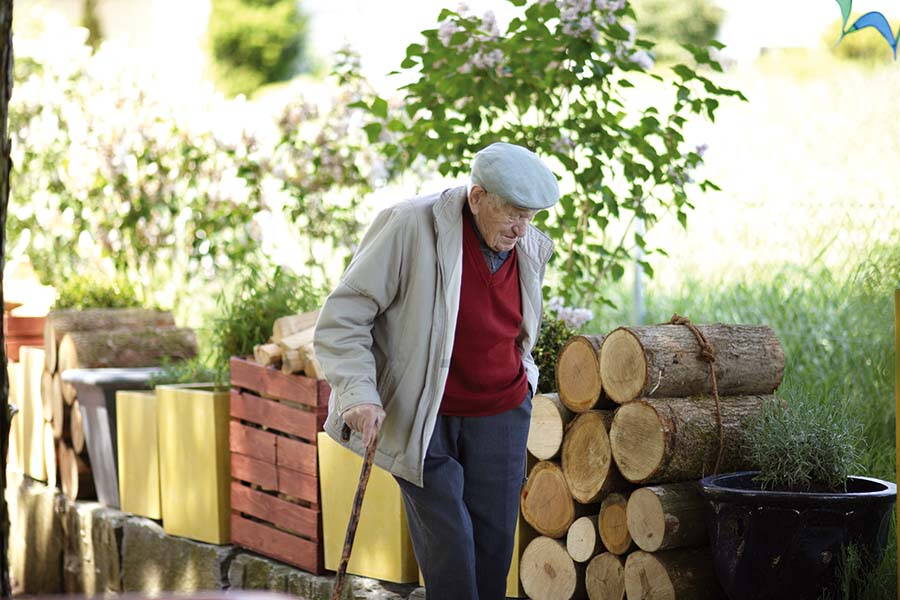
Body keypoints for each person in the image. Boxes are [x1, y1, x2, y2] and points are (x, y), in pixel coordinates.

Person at [314, 142, 558, 600]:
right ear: (478, 196)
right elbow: (344, 316)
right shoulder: (410, 226)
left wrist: (526, 381)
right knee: (450, 545)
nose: (521, 227)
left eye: (530, 216)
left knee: (493, 550)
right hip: (425, 416)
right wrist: (359, 393)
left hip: (502, 411)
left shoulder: (526, 246)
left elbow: (518, 329)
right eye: (512, 213)